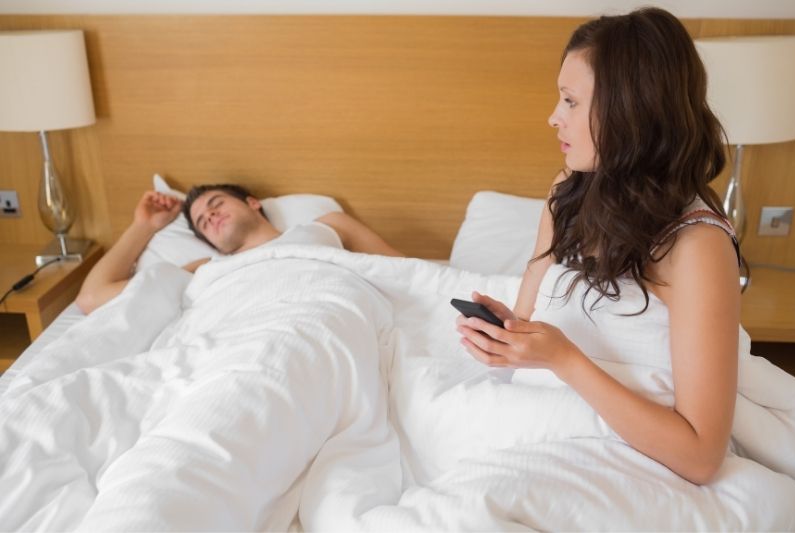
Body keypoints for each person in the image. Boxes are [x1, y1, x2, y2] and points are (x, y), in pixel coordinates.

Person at [456, 7, 740, 485]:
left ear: (630, 108)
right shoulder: (567, 193)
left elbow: (701, 457)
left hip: (622, 462)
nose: (552, 117)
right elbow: (533, 325)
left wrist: (564, 360)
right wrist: (506, 339)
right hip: (527, 421)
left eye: (570, 101)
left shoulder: (697, 247)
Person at [77, 184, 403, 314]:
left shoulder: (326, 227)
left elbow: (406, 271)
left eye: (217, 205)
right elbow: (93, 298)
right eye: (203, 222)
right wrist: (143, 226)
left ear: (252, 203)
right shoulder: (204, 268)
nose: (211, 216)